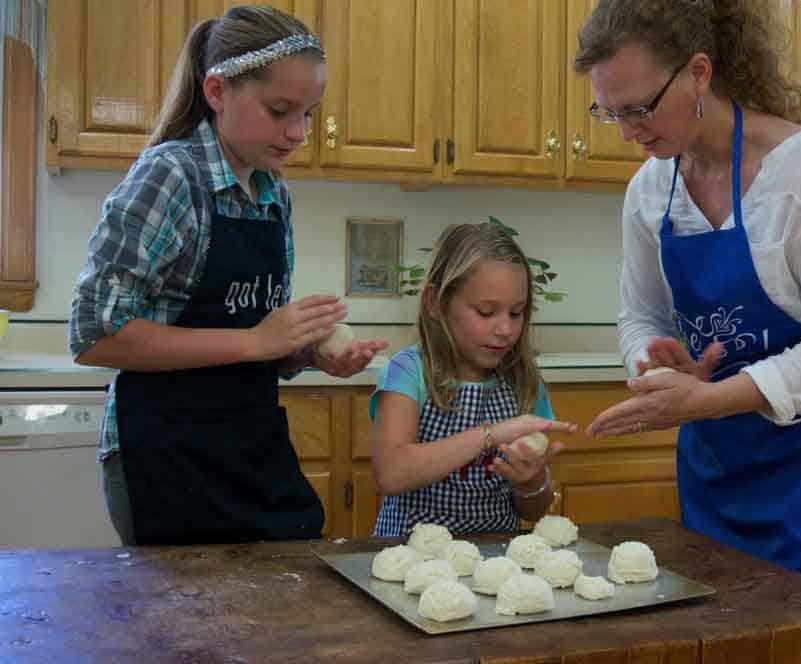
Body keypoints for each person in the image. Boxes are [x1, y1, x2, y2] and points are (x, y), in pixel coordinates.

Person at [576, 0, 801, 590]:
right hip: (720, 462)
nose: (627, 131)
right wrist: (651, 360)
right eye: (610, 112)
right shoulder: (650, 191)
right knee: (717, 623)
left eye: (641, 107)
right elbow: (640, 315)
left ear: (699, 73)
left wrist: (707, 400)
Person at [68, 6, 387, 546]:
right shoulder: (172, 175)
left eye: (309, 114)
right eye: (279, 110)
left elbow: (257, 344)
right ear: (217, 91)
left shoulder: (272, 193)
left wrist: (307, 353)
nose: (297, 132)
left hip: (250, 445)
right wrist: (255, 340)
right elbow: (94, 334)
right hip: (165, 455)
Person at [369, 223, 576, 537]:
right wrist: (491, 435)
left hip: (497, 557)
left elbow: (533, 510)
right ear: (435, 302)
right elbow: (391, 473)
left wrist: (531, 482)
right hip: (411, 554)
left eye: (516, 313)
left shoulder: (524, 381)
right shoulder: (408, 372)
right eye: (486, 312)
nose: (505, 330)